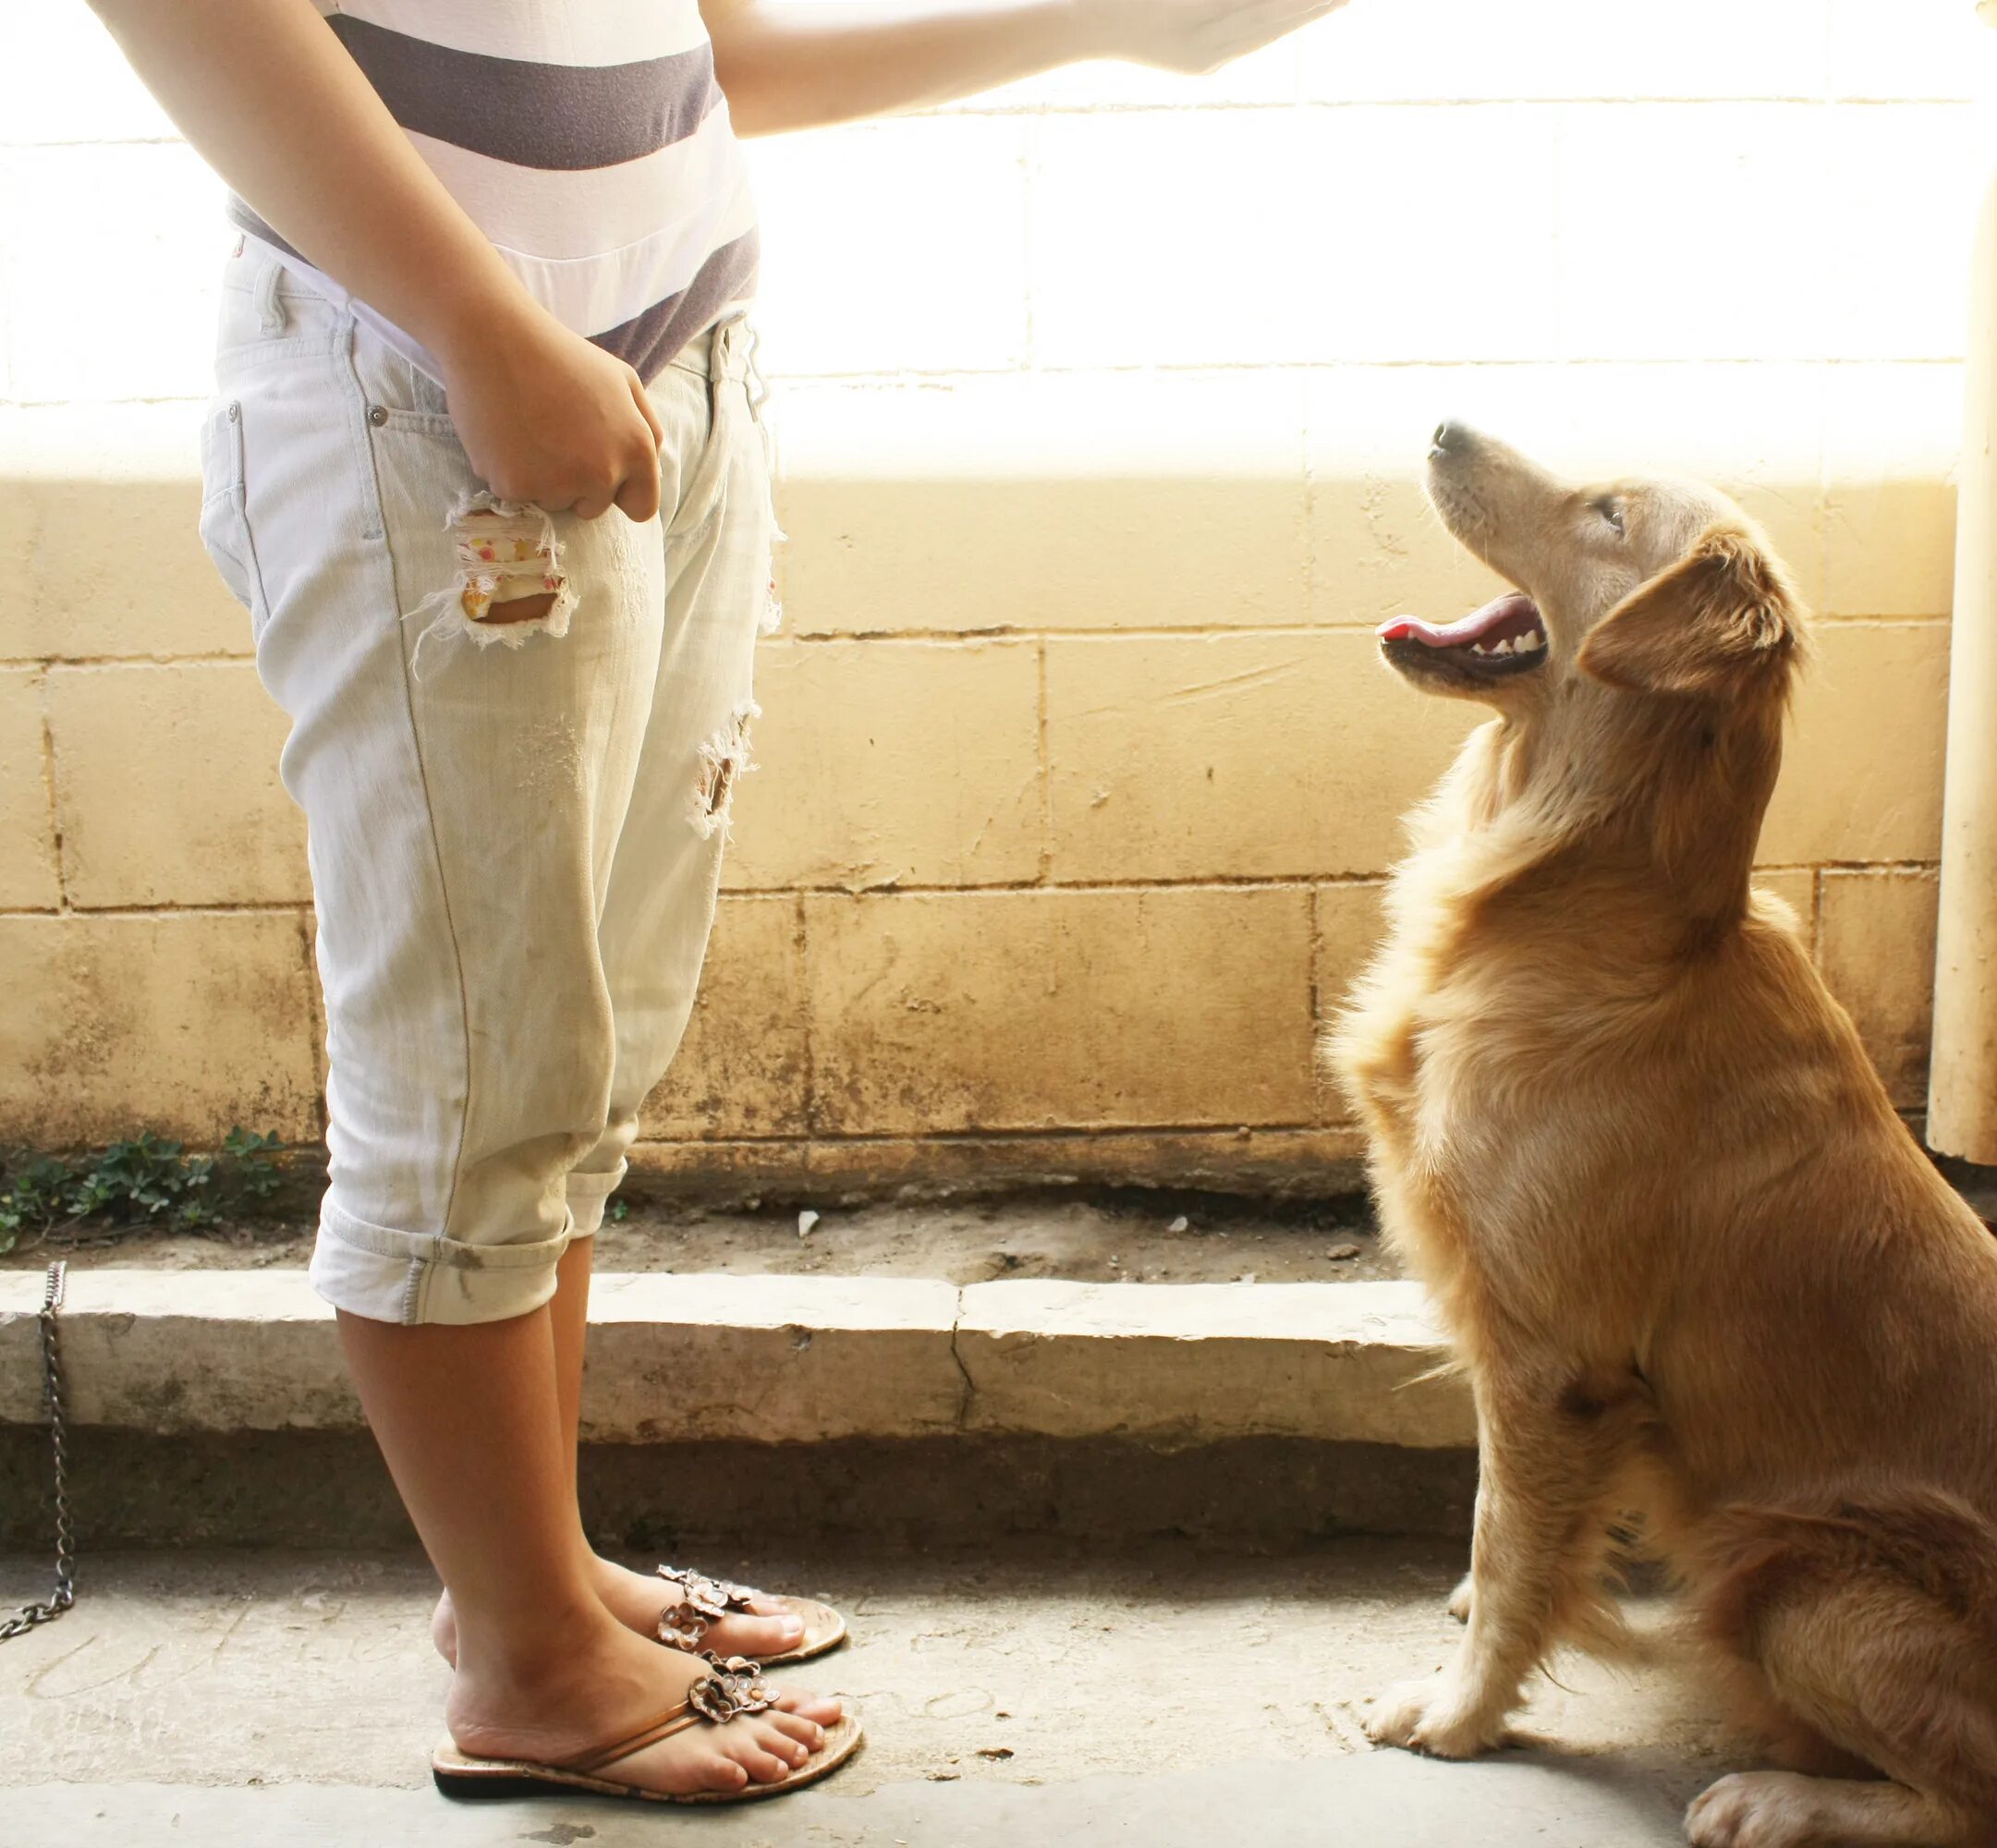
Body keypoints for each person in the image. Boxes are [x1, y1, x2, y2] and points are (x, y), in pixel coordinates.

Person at [87, 0, 1346, 1805]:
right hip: (433, 377)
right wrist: (476, 320)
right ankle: (531, 1667)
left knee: (577, 1046)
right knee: (470, 1068)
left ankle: (525, 1577)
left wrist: (1112, 26)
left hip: (658, 365)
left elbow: (707, 55)